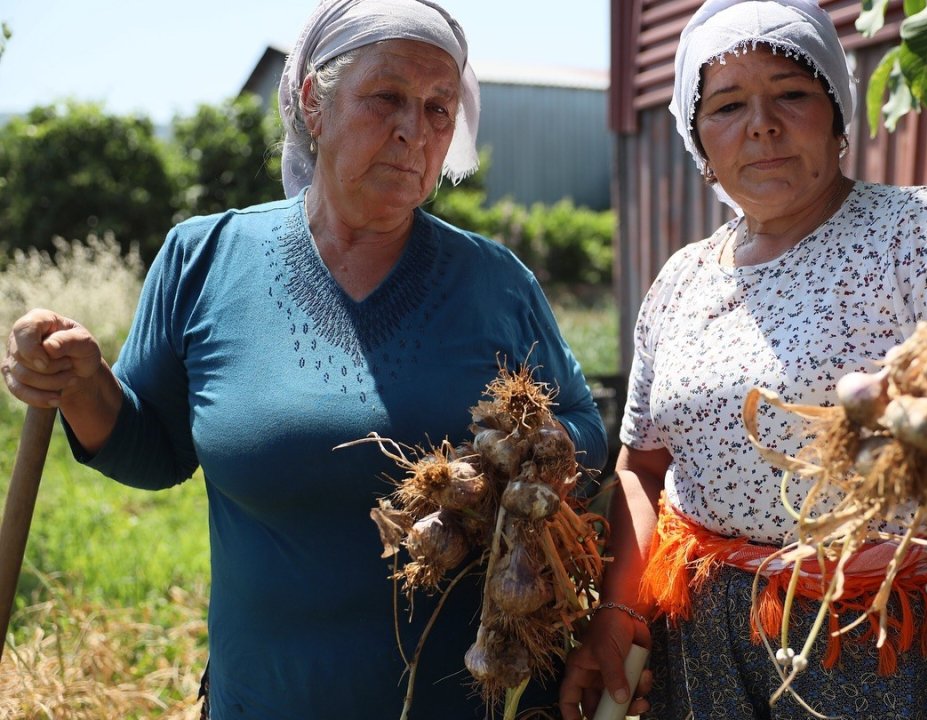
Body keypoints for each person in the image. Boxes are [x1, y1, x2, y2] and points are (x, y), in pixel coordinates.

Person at [1, 1, 605, 718]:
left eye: (440, 109)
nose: (415, 130)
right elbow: (151, 451)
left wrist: (539, 449)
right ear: (314, 103)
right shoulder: (205, 260)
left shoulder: (495, 281)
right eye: (387, 98)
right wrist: (81, 385)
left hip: (462, 699)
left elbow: (586, 431)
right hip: (266, 697)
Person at [559, 1, 927, 718]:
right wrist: (617, 612)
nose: (761, 125)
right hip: (710, 640)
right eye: (726, 106)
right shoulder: (682, 280)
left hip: (892, 633)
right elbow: (643, 466)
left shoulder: (917, 231)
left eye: (791, 93)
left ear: (838, 115)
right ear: (698, 140)